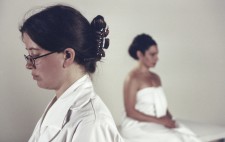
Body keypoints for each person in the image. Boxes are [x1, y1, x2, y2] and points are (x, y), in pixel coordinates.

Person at [19, 4, 124, 142]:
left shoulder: (91, 124)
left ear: (67, 56)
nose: (28, 64)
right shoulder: (60, 104)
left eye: (34, 54)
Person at [119, 34, 201, 142]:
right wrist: (162, 121)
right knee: (175, 139)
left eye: (157, 54)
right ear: (140, 54)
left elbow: (162, 105)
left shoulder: (156, 77)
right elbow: (130, 112)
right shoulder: (132, 78)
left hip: (157, 121)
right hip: (138, 125)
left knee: (188, 136)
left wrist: (170, 119)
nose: (157, 58)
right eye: (152, 54)